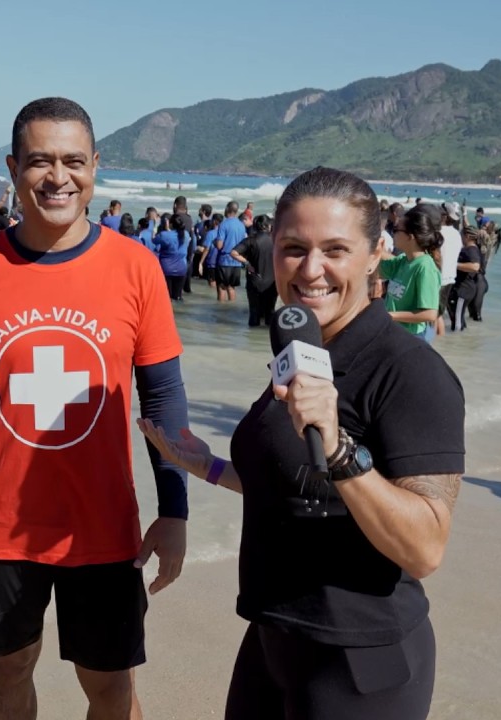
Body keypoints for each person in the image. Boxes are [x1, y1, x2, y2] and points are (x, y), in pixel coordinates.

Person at [139, 166, 464, 720]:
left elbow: (425, 548)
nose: (311, 270)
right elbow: (299, 486)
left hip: (360, 661)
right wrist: (207, 466)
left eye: (335, 250)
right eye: (294, 249)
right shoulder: (306, 351)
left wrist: (339, 449)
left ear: (375, 255)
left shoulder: (409, 372)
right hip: (274, 637)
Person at [0, 97, 189, 720]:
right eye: (40, 161)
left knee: (111, 686)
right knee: (8, 669)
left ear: (95, 167)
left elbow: (163, 396)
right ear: (13, 169)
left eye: (73, 161)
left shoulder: (136, 268)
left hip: (104, 525)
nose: (58, 177)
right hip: (1, 525)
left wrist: (175, 510)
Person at [381, 205, 443, 342]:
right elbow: (376, 270)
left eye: (396, 230)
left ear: (411, 237)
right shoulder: (403, 260)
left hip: (410, 337)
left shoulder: (425, 267)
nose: (393, 233)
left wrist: (390, 315)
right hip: (393, 331)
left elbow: (429, 314)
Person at [230, 214, 276, 327]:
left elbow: (233, 253)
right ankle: (268, 336)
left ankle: (251, 334)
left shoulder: (250, 240)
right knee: (270, 312)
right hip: (272, 283)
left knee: (254, 312)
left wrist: (247, 263)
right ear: (268, 226)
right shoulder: (276, 241)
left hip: (254, 281)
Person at [436, 203, 463, 336]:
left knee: (434, 314)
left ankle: (438, 340)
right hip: (450, 278)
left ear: (445, 216)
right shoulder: (457, 234)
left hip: (438, 278)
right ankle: (440, 341)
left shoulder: (439, 233)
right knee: (438, 313)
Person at [447, 228, 481, 331]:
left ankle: (456, 339)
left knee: (457, 320)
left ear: (467, 236)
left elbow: (475, 267)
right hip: (462, 288)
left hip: (464, 289)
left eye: (461, 235)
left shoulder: (471, 250)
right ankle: (463, 337)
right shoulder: (469, 249)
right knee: (457, 317)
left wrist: (454, 264)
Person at [214, 201, 247, 303]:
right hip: (237, 261)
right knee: (231, 288)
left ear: (227, 209)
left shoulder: (223, 224)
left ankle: (221, 309)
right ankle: (231, 308)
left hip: (225, 260)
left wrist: (215, 242)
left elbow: (219, 245)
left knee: (222, 287)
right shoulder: (241, 225)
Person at [152, 213, 189, 301]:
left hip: (167, 269)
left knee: (167, 298)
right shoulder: (186, 234)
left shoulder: (164, 235)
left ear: (170, 224)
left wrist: (155, 226)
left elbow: (154, 240)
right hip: (181, 269)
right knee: (178, 297)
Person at [173, 197, 195, 293]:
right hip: (187, 251)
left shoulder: (173, 218)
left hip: (175, 254)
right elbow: (192, 237)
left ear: (175, 205)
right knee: (185, 286)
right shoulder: (189, 219)